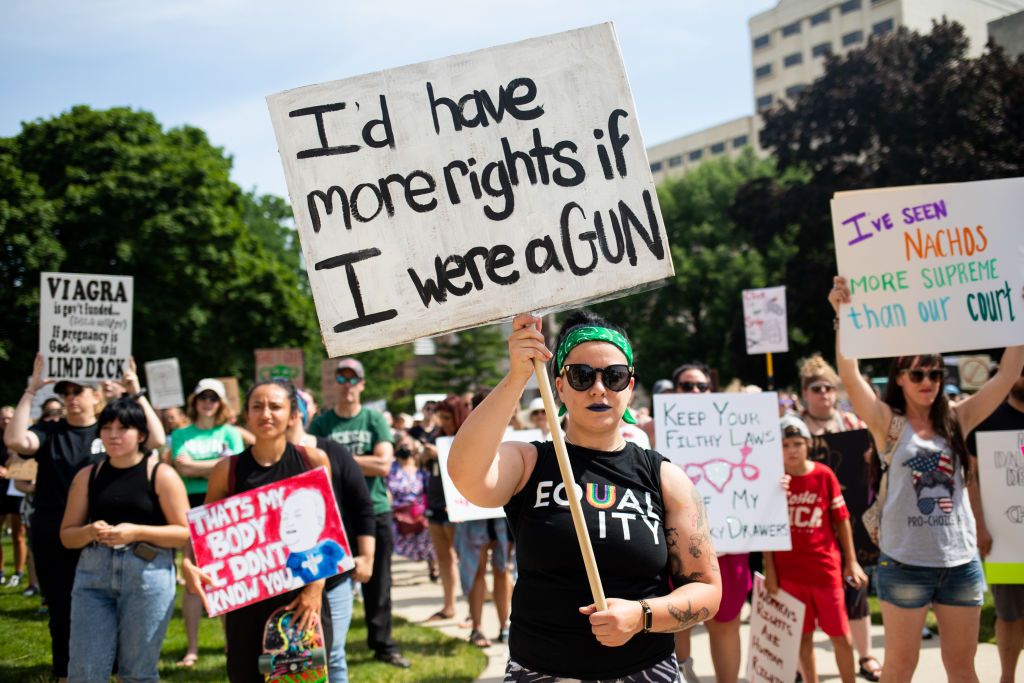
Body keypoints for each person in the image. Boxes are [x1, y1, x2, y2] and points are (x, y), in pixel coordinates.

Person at [449, 311, 722, 681]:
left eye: (614, 377)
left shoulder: (665, 478)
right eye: (581, 376)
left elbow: (706, 591)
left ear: (629, 386)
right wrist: (517, 377)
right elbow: (465, 475)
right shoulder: (530, 461)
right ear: (559, 386)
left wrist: (640, 616)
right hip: (540, 670)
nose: (598, 388)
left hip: (643, 670)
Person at [829, 276, 1024, 683]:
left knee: (962, 669)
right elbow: (850, 374)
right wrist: (842, 315)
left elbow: (1007, 375)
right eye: (917, 374)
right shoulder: (888, 424)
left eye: (934, 374)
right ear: (899, 378)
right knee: (900, 669)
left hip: (960, 563)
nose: (927, 382)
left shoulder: (959, 417)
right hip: (905, 564)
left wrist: (1019, 315)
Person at [4, 353, 164, 682]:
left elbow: (157, 439)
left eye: (79, 390)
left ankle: (118, 669)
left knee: (115, 607)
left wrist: (135, 391)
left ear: (97, 394)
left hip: (107, 535)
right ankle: (66, 673)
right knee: (63, 609)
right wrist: (32, 391)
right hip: (55, 532)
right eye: (66, 392)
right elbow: (16, 440)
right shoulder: (50, 431)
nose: (72, 398)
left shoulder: (111, 431)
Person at [183, 380, 333, 682]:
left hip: (300, 599)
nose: (266, 413)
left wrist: (314, 590)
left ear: (293, 414)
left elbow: (328, 531)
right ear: (246, 416)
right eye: (257, 406)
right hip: (246, 601)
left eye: (275, 406)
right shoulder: (227, 470)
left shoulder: (312, 460)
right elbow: (204, 531)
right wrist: (188, 562)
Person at [60, 397, 190, 682]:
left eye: (123, 428)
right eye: (106, 428)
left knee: (138, 672)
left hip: (147, 576)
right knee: (85, 672)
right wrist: (90, 531)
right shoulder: (88, 475)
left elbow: (185, 532)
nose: (114, 435)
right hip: (93, 576)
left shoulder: (160, 474)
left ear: (141, 435)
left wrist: (137, 532)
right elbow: (67, 536)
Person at [643, 361, 751, 683]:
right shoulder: (651, 432)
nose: (693, 392)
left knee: (726, 622)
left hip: (727, 546)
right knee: (677, 621)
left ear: (711, 391)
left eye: (701, 386)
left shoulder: (735, 428)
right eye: (686, 386)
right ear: (672, 391)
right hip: (672, 546)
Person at [308, 358, 409, 668]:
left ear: (362, 385)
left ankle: (383, 644)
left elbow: (383, 464)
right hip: (330, 514)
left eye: (354, 379)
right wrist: (356, 461)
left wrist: (336, 459)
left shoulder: (373, 419)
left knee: (378, 583)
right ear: (335, 384)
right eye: (342, 378)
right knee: (323, 580)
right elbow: (309, 460)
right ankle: (325, 643)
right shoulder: (323, 423)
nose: (348, 385)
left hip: (374, 509)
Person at [765, 416, 867, 683]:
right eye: (785, 444)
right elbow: (765, 528)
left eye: (797, 443)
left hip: (825, 569)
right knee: (802, 637)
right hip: (789, 574)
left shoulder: (823, 475)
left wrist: (851, 561)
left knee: (841, 635)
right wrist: (770, 571)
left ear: (808, 444)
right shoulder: (773, 480)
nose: (792, 450)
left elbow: (841, 519)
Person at [798, 354, 881, 681]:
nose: (824, 394)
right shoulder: (794, 427)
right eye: (816, 388)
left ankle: (866, 656)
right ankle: (799, 664)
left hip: (849, 519)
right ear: (805, 392)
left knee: (855, 589)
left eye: (829, 388)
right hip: (806, 525)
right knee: (802, 597)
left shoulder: (854, 425)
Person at [287, 390, 375, 683]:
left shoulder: (332, 452)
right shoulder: (260, 461)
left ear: (298, 412)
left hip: (333, 573)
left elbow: (362, 505)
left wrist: (366, 556)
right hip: (283, 577)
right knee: (290, 657)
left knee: (332, 652)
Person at [170, 377, 245, 668]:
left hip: (223, 507)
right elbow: (182, 466)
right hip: (190, 506)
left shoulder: (230, 432)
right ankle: (192, 648)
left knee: (225, 577)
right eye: (204, 397)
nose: (208, 403)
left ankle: (231, 642)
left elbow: (234, 469)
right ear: (195, 401)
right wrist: (217, 464)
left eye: (214, 398)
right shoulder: (180, 434)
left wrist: (199, 468)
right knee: (191, 579)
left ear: (221, 403)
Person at [966, 369, 1024, 683]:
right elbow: (971, 478)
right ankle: (1007, 677)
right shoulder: (987, 421)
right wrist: (980, 526)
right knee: (1010, 613)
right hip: (1007, 539)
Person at [451, 390, 515, 648]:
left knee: (503, 569)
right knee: (476, 568)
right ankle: (477, 627)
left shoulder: (516, 440)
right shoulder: (466, 440)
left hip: (503, 516)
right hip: (474, 514)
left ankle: (505, 625)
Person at [421, 395, 468, 624]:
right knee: (443, 559)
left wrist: (438, 455)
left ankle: (472, 609)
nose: (444, 422)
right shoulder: (437, 436)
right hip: (436, 502)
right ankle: (449, 605)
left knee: (465, 558)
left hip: (459, 507)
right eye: (441, 418)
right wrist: (424, 456)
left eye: (447, 418)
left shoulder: (466, 437)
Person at [387, 431, 434, 570]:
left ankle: (433, 566)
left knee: (428, 544)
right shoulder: (390, 468)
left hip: (419, 513)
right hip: (398, 514)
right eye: (402, 445)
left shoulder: (420, 466)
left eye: (408, 445)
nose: (405, 448)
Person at [0, 405, 28, 589]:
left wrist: (10, 469)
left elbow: (26, 463)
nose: (6, 421)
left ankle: (18, 572)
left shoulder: (21, 437)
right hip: (0, 490)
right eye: (3, 418)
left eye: (10, 418)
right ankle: (0, 572)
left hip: (16, 489)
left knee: (18, 535)